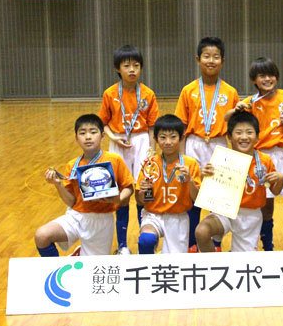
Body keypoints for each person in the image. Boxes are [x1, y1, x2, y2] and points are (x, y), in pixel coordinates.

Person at [226, 57, 283, 251]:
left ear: (277, 76)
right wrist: (235, 110)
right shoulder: (251, 102)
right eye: (262, 76)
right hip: (264, 157)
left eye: (271, 75)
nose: (267, 79)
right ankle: (268, 246)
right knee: (266, 204)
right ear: (254, 80)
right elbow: (227, 118)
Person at [34, 114, 135, 257]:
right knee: (42, 236)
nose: (88, 137)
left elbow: (129, 187)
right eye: (82, 133)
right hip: (76, 216)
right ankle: (56, 268)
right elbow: (71, 202)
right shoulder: (72, 165)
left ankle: (81, 254)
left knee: (95, 268)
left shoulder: (114, 159)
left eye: (93, 132)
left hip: (102, 221)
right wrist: (58, 185)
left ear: (102, 136)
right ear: (76, 138)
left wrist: (118, 199)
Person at [175, 36, 239, 252]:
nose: (211, 61)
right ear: (198, 59)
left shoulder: (230, 92)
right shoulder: (188, 90)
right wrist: (182, 158)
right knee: (192, 194)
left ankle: (217, 243)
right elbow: (181, 127)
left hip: (220, 145)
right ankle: (192, 245)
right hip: (194, 144)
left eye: (216, 57)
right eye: (206, 56)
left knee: (218, 196)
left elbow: (236, 129)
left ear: (223, 61)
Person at [99, 45, 159, 255]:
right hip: (118, 142)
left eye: (136, 65)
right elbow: (103, 123)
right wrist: (113, 137)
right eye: (126, 65)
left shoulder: (148, 94)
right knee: (120, 193)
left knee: (145, 190)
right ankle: (122, 245)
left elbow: (152, 126)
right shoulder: (110, 94)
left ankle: (147, 240)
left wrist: (152, 150)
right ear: (118, 68)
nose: (132, 69)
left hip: (142, 141)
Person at [195, 112, 283, 252]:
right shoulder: (220, 159)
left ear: (257, 137)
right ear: (229, 137)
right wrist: (203, 176)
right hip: (225, 211)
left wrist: (280, 179)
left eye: (249, 132)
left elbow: (274, 191)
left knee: (245, 261)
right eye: (238, 132)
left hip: (250, 216)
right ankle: (214, 264)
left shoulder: (265, 161)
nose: (244, 137)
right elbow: (206, 191)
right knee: (202, 232)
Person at [135, 115, 201, 254]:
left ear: (181, 138)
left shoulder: (190, 164)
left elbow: (196, 199)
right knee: (146, 240)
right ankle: (149, 266)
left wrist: (189, 179)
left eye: (173, 137)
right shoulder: (150, 164)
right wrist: (142, 192)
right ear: (155, 139)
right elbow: (140, 201)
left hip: (178, 217)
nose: (168, 142)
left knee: (174, 262)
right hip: (153, 215)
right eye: (163, 137)